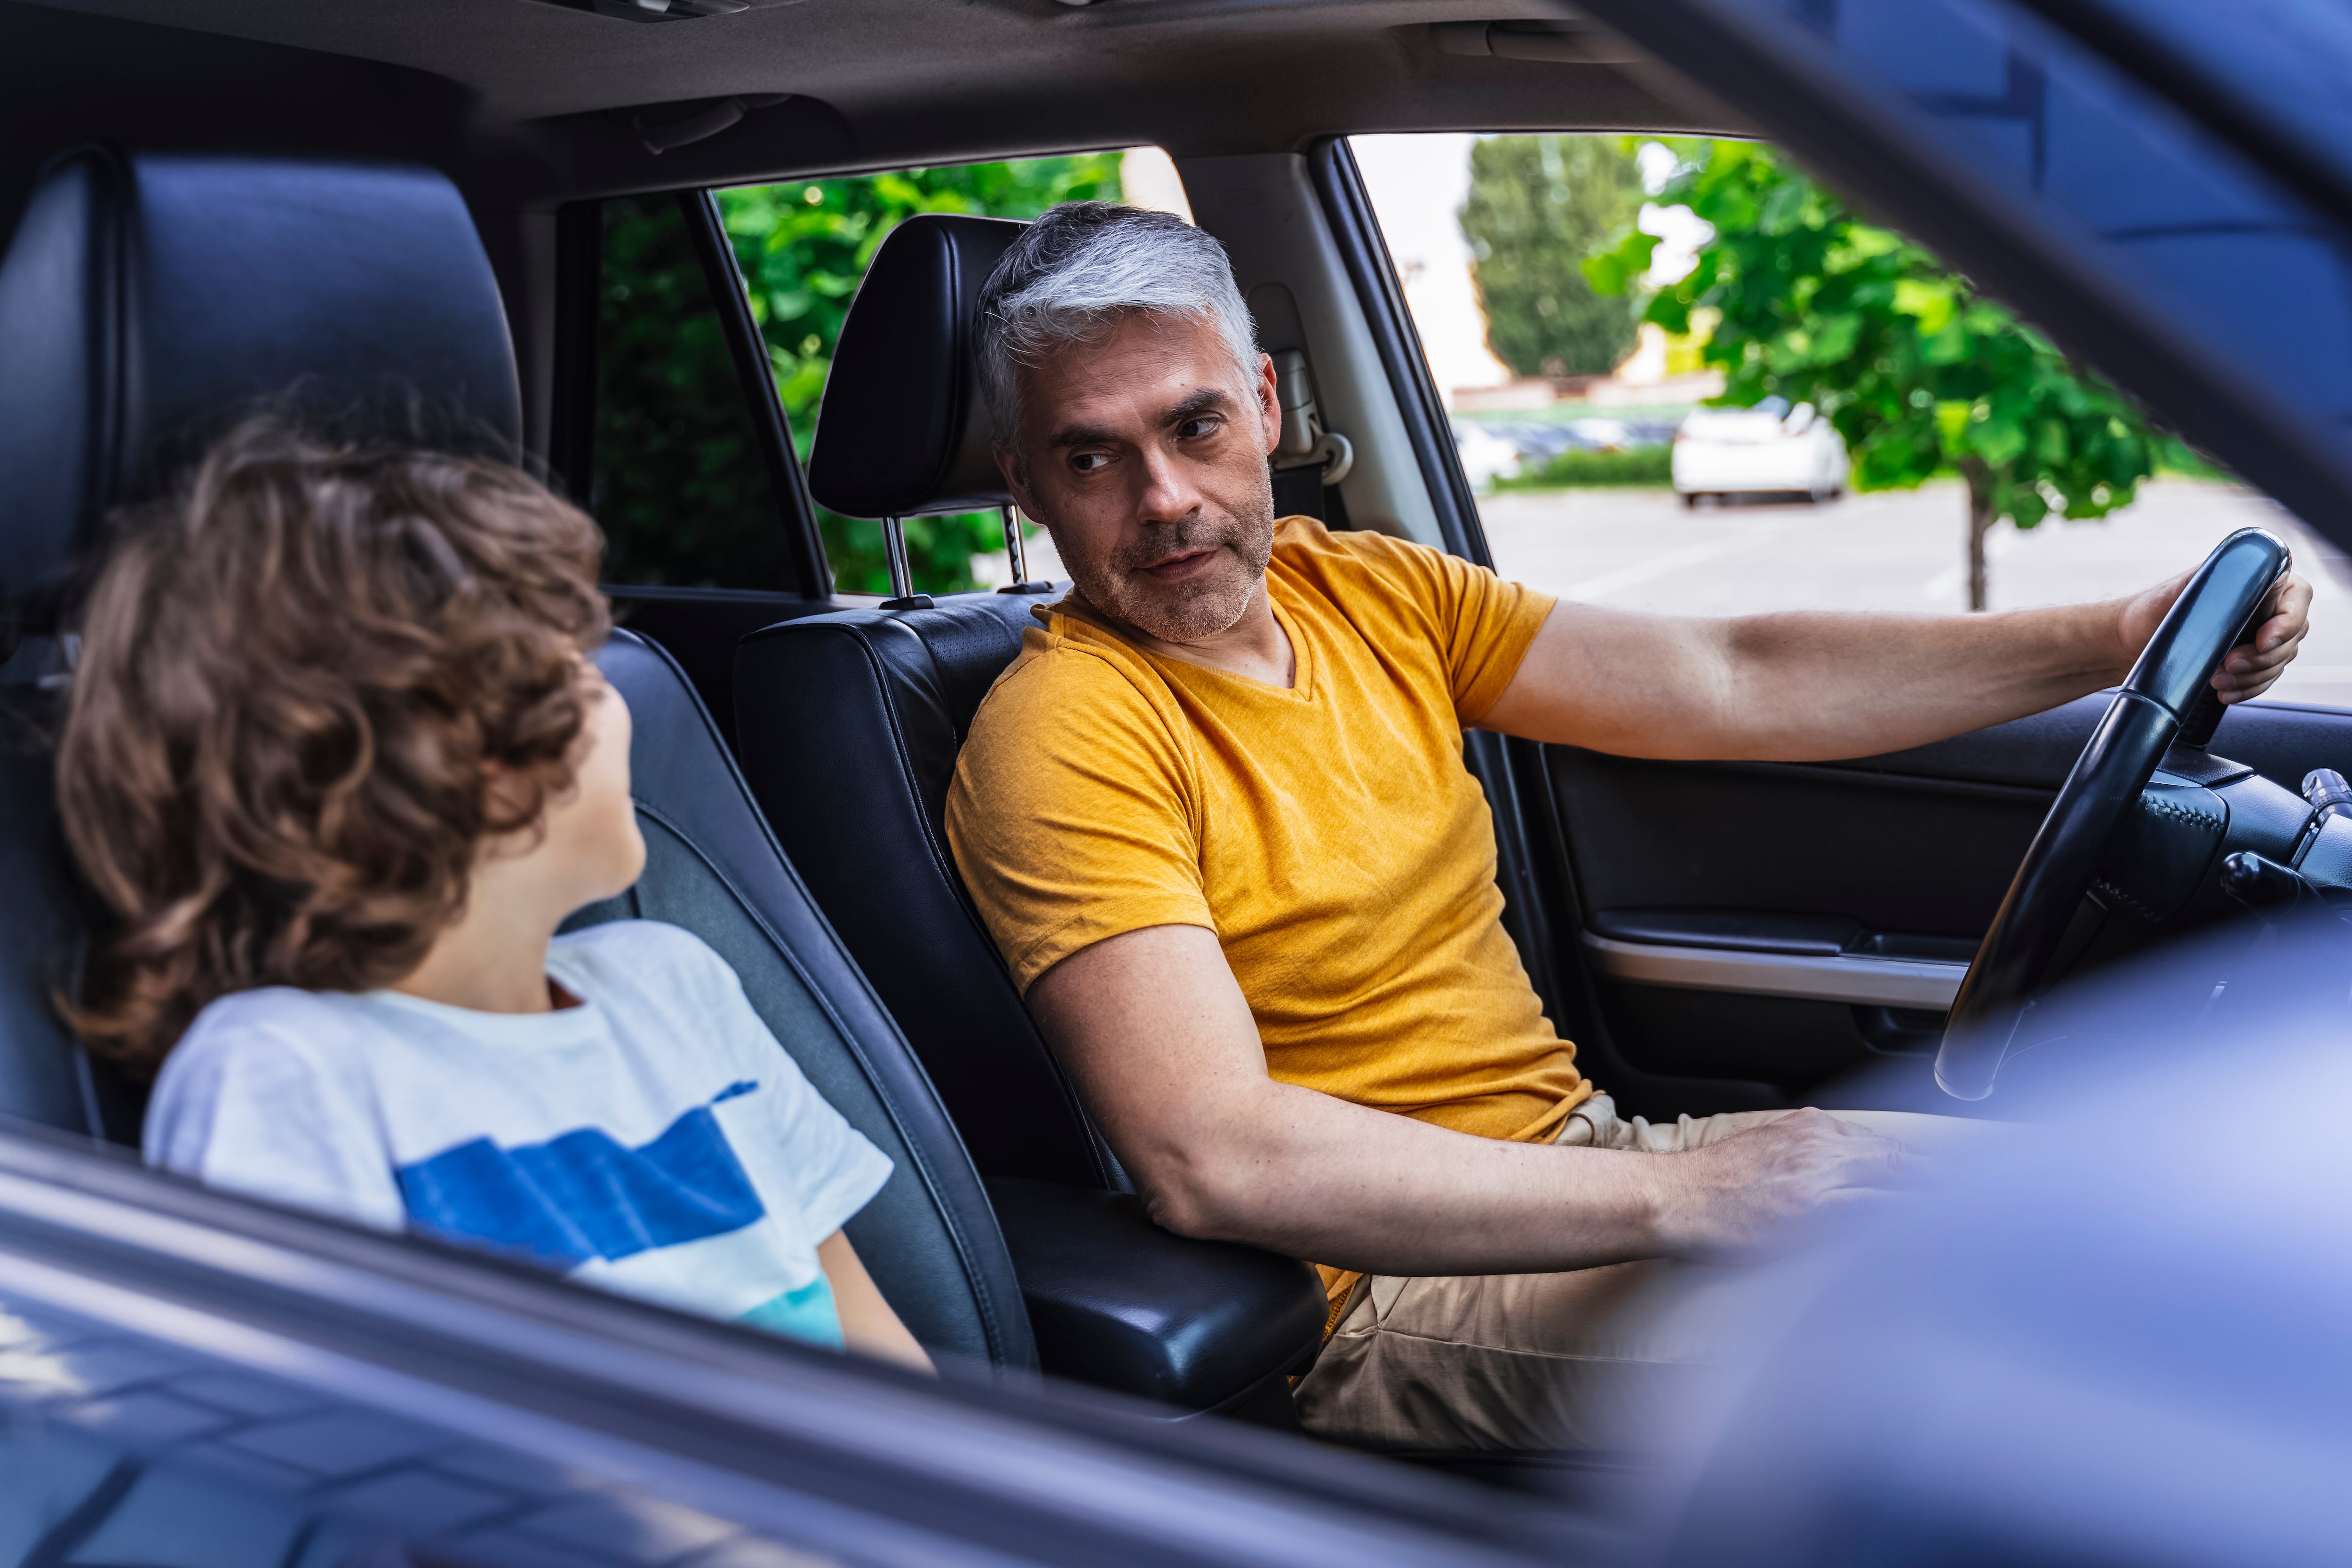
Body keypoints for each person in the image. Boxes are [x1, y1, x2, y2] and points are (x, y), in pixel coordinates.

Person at [942, 202, 2312, 1448]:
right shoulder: (1065, 731)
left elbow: (1735, 676)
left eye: (1194, 428)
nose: (1167, 498)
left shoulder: (1365, 592)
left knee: (2197, 1221)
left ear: (1262, 403)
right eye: (1092, 456)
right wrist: (1694, 1193)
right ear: (1028, 484)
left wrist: (2120, 633)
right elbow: (1214, 1152)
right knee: (2080, 1335)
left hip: (1583, 1166)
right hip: (1369, 1297)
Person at [57, 418, 931, 1373]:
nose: (616, 694)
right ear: (466, 759)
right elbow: (324, 1467)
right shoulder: (286, 1075)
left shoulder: (678, 990)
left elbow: (877, 1360)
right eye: (578, 667)